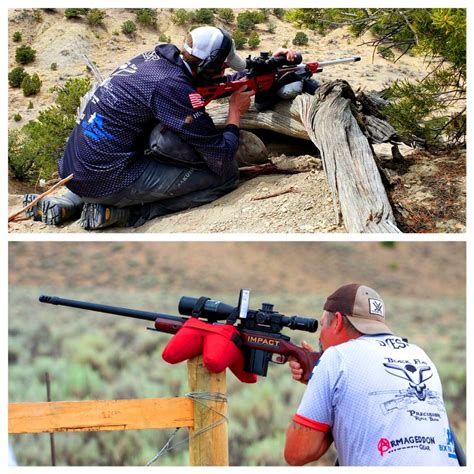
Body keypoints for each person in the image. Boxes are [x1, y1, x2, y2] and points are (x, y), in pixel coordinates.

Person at [24, 26, 295, 230]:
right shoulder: (173, 87)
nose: (225, 69)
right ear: (209, 63)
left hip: (75, 168)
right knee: (224, 177)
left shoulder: (154, 61)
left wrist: (267, 68)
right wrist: (235, 112)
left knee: (134, 146)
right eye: (222, 65)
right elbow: (220, 155)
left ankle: (69, 202)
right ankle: (128, 214)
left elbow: (204, 84)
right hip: (109, 179)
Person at [284, 283, 462, 466]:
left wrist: (326, 392)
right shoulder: (420, 354)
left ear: (337, 321)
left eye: (322, 325)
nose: (320, 335)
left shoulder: (336, 357)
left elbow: (297, 453)